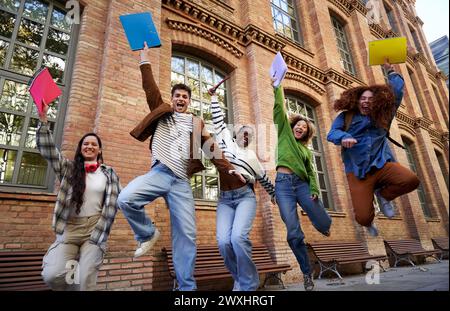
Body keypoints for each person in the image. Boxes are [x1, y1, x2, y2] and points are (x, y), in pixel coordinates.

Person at [117, 42, 244, 291]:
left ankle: (186, 289)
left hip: (181, 182)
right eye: (177, 96)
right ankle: (146, 234)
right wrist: (144, 59)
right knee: (126, 198)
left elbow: (212, 150)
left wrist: (230, 169)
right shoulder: (162, 112)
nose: (181, 99)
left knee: (186, 235)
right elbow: (150, 89)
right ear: (172, 99)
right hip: (159, 173)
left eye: (185, 97)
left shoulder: (196, 123)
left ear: (189, 101)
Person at [327, 60, 420, 237]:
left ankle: (384, 196)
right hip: (358, 171)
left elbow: (397, 92)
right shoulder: (346, 117)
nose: (366, 102)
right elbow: (331, 134)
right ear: (357, 100)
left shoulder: (383, 115)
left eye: (370, 99)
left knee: (411, 180)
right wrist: (344, 137)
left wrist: (391, 71)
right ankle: (368, 222)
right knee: (362, 217)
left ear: (375, 101)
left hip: (382, 164)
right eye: (363, 98)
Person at [37, 103, 121, 291]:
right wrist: (43, 122)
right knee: (53, 276)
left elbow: (120, 200)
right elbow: (49, 152)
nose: (89, 146)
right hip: (70, 228)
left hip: (95, 228)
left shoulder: (109, 173)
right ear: (81, 148)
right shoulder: (68, 169)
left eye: (94, 144)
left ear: (99, 150)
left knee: (86, 280)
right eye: (86, 143)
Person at [209, 89, 276, 291]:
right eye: (243, 133)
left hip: (245, 197)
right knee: (223, 242)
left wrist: (277, 196)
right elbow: (218, 120)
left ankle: (248, 286)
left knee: (238, 238)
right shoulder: (225, 141)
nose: (246, 136)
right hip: (225, 199)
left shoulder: (252, 157)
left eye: (250, 135)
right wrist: (213, 97)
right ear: (236, 134)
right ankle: (240, 277)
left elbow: (263, 180)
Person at [272, 80, 332, 291]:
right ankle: (307, 273)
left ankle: (322, 225)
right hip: (283, 186)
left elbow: (312, 173)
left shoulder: (305, 151)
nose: (300, 128)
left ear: (307, 133)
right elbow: (279, 107)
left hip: (302, 184)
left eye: (304, 128)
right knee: (294, 233)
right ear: (293, 125)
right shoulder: (283, 134)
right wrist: (277, 85)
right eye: (298, 125)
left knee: (325, 221)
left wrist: (314, 189)